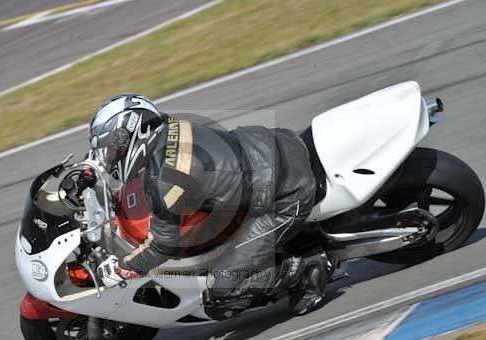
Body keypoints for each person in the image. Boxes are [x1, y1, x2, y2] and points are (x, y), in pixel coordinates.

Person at [90, 93, 326, 319]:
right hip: (274, 143)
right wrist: (90, 172)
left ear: (132, 136)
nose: (110, 156)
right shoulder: (169, 126)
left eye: (112, 150)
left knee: (220, 291)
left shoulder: (163, 183)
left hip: (286, 197)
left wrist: (124, 267)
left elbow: (163, 246)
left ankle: (306, 266)